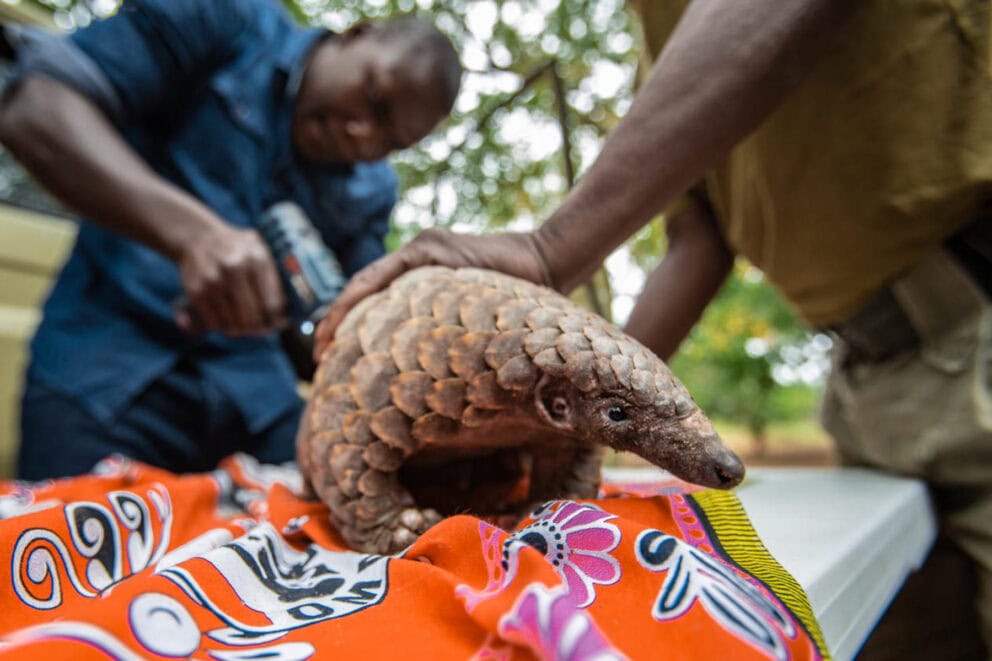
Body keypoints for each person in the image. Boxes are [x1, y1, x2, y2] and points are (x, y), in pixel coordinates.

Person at [315, 0, 992, 657]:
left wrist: (555, 250)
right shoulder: (658, 57)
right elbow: (697, 240)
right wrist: (585, 408)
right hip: (870, 373)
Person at [0, 0, 461, 480]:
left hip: (255, 398)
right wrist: (195, 237)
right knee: (64, 544)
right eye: (374, 100)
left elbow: (347, 330)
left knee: (351, 511)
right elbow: (36, 109)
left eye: (390, 142)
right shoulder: (224, 18)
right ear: (356, 35)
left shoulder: (373, 189)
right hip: (105, 369)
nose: (364, 138)